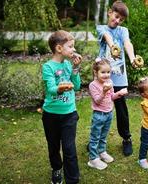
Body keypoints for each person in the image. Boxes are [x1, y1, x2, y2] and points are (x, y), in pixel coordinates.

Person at [96, 0, 143, 156]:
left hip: (119, 77)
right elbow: (108, 37)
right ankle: (96, 140)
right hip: (103, 78)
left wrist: (131, 58)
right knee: (101, 110)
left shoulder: (123, 30)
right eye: (116, 16)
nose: (117, 21)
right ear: (110, 12)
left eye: (121, 19)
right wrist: (112, 47)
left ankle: (126, 138)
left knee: (121, 110)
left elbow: (127, 43)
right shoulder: (101, 28)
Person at [41, 30, 82, 184]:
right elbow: (51, 88)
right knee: (53, 146)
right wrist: (61, 88)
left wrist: (76, 69)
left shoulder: (68, 64)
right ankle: (57, 168)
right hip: (51, 115)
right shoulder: (48, 67)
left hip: (69, 114)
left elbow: (77, 86)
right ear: (59, 48)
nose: (74, 50)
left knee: (69, 148)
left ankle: (72, 179)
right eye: (70, 46)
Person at [88, 58, 128, 170]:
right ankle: (93, 158)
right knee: (95, 137)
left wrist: (119, 93)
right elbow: (97, 101)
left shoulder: (110, 82)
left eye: (108, 72)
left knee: (103, 135)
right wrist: (104, 91)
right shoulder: (93, 85)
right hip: (99, 115)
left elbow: (111, 97)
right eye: (103, 72)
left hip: (109, 113)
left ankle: (101, 152)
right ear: (96, 72)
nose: (106, 75)